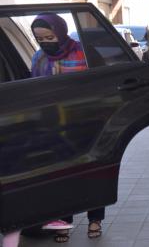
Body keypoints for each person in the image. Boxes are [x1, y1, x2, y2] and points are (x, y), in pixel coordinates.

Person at [30, 13, 105, 242]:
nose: (45, 43)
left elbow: (102, 85)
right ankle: (63, 221)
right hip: (54, 127)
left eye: (50, 37)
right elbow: (33, 90)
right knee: (61, 176)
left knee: (93, 173)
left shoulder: (84, 53)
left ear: (60, 32)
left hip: (87, 123)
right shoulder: (39, 58)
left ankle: (95, 219)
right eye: (40, 39)